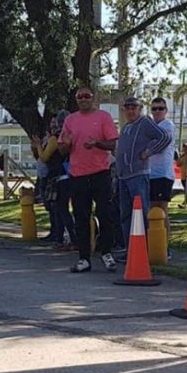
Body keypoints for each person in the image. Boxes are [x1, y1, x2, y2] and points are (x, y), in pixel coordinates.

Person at [58, 88, 119, 273]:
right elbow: (62, 150)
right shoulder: (70, 120)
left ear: (93, 98)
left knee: (104, 213)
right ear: (76, 100)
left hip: (100, 172)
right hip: (78, 175)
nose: (84, 100)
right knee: (81, 217)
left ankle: (106, 252)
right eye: (80, 97)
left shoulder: (103, 117)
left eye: (87, 96)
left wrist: (97, 144)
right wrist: (66, 144)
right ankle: (84, 258)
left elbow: (113, 143)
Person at [115, 96, 169, 258]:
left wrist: (148, 152)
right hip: (123, 176)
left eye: (134, 107)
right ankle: (130, 249)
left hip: (138, 175)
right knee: (125, 215)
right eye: (128, 107)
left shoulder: (145, 123)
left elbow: (164, 137)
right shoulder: (126, 127)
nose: (131, 110)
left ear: (140, 109)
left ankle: (145, 249)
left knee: (142, 213)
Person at [33, 113, 76, 249]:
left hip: (57, 177)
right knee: (62, 209)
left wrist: (39, 146)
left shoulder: (55, 139)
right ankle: (63, 238)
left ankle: (68, 239)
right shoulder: (72, 136)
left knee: (60, 209)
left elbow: (44, 158)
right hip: (70, 175)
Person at [147, 97, 176, 248]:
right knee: (151, 209)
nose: (157, 111)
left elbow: (158, 143)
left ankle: (165, 246)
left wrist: (146, 149)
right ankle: (154, 244)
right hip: (150, 173)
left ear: (166, 111)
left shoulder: (167, 125)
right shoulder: (151, 125)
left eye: (160, 108)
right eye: (154, 109)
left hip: (163, 174)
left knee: (161, 209)